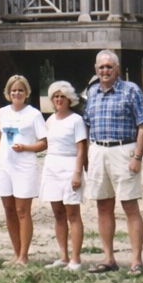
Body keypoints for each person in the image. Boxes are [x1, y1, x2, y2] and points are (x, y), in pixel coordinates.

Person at [82, 50, 143, 275]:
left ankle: (136, 261)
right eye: (101, 67)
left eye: (109, 67)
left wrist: (137, 156)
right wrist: (86, 157)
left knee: (130, 206)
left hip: (124, 150)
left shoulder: (131, 91)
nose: (105, 71)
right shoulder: (92, 93)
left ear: (117, 69)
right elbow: (86, 124)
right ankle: (108, 258)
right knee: (103, 206)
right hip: (98, 149)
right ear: (96, 70)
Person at [0, 74, 47, 265]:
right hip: (4, 164)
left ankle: (24, 255)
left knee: (22, 210)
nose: (17, 93)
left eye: (20, 90)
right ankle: (15, 253)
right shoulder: (2, 112)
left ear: (26, 93)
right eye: (13, 90)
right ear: (8, 93)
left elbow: (44, 142)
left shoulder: (33, 114)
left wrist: (26, 147)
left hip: (24, 165)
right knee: (8, 209)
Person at [38, 80, 88, 270]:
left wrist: (77, 173)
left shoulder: (76, 120)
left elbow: (81, 148)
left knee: (72, 214)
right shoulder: (50, 120)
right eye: (55, 97)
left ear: (69, 99)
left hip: (70, 166)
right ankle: (63, 256)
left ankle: (76, 258)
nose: (59, 100)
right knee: (58, 213)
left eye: (62, 96)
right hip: (52, 166)